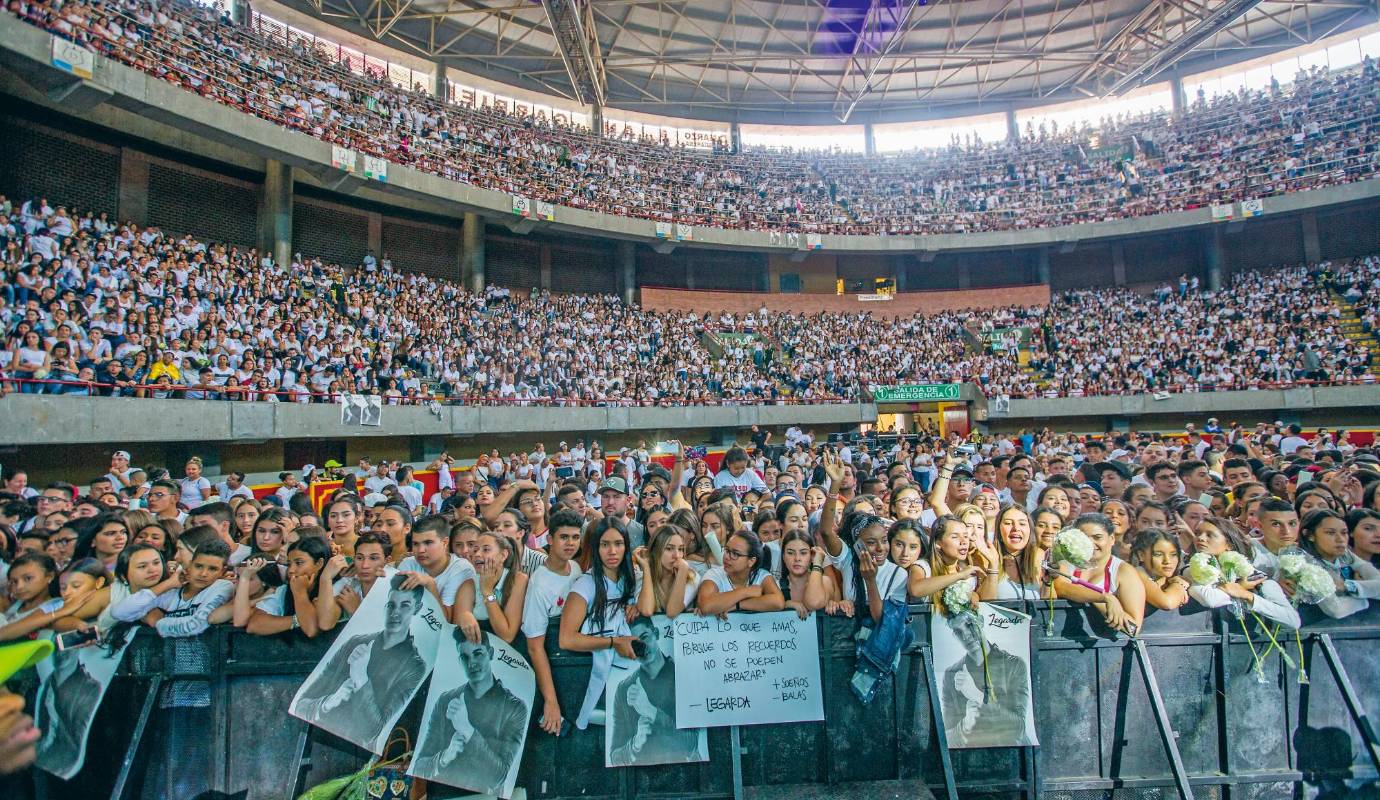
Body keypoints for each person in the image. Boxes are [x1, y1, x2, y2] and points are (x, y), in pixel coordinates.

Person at [293, 574, 430, 738]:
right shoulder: (355, 642)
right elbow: (300, 704)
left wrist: (361, 678)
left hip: (358, 751)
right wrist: (327, 703)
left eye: (405, 605)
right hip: (319, 732)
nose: (395, 612)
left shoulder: (414, 666)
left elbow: (372, 732)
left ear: (417, 608)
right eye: (391, 605)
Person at [413, 634, 526, 794]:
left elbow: (498, 777)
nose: (471, 663)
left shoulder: (514, 707)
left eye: (478, 654)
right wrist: (445, 756)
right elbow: (419, 767)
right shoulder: (446, 700)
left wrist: (467, 729)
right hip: (446, 793)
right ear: (459, 661)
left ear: (491, 653)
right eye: (464, 657)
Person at [607, 616, 702, 766]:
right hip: (641, 779)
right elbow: (614, 759)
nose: (642, 648)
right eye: (634, 644)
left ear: (656, 633)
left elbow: (692, 744)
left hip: (684, 775)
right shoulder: (624, 689)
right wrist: (635, 743)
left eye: (645, 637)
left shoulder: (684, 676)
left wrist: (651, 712)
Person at [522, 511, 584, 736]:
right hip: (552, 664)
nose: (570, 543)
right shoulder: (539, 584)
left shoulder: (575, 568)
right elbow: (534, 647)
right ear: (550, 540)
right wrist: (550, 700)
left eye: (575, 537)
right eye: (564, 537)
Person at [939, 609, 1029, 749]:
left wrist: (978, 696)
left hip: (1011, 754)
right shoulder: (951, 674)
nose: (966, 635)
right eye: (958, 632)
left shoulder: (1014, 665)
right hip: (969, 758)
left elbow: (1019, 728)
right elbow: (945, 738)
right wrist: (965, 724)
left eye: (969, 625)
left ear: (980, 621)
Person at [1188, 517, 1300, 629]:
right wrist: (1240, 587)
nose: (1200, 538)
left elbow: (1293, 621)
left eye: (1209, 535)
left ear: (1229, 545)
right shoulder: (1191, 569)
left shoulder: (1253, 576)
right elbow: (1209, 599)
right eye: (1197, 533)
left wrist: (1248, 596)